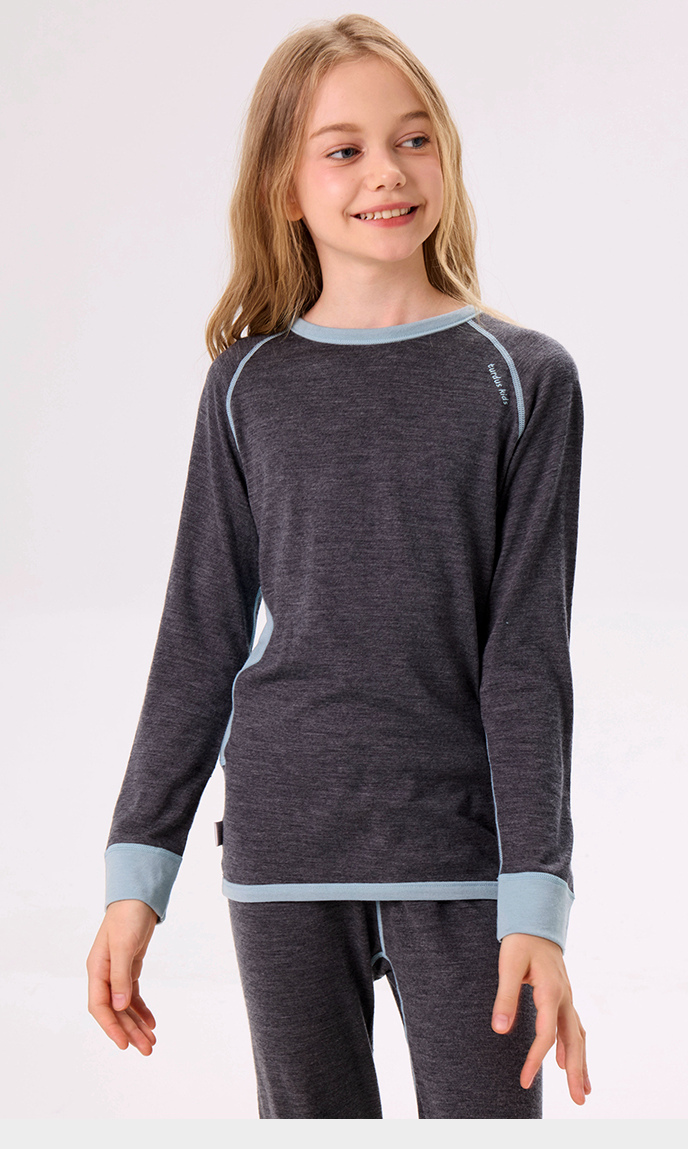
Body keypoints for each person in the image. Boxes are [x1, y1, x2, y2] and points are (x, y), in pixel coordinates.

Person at [86, 13, 590, 1119]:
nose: (387, 172)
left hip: (462, 855)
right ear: (285, 186)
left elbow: (526, 657)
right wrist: (138, 874)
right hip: (284, 846)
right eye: (344, 148)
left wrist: (535, 900)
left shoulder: (525, 379)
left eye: (413, 139)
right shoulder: (245, 384)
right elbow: (200, 636)